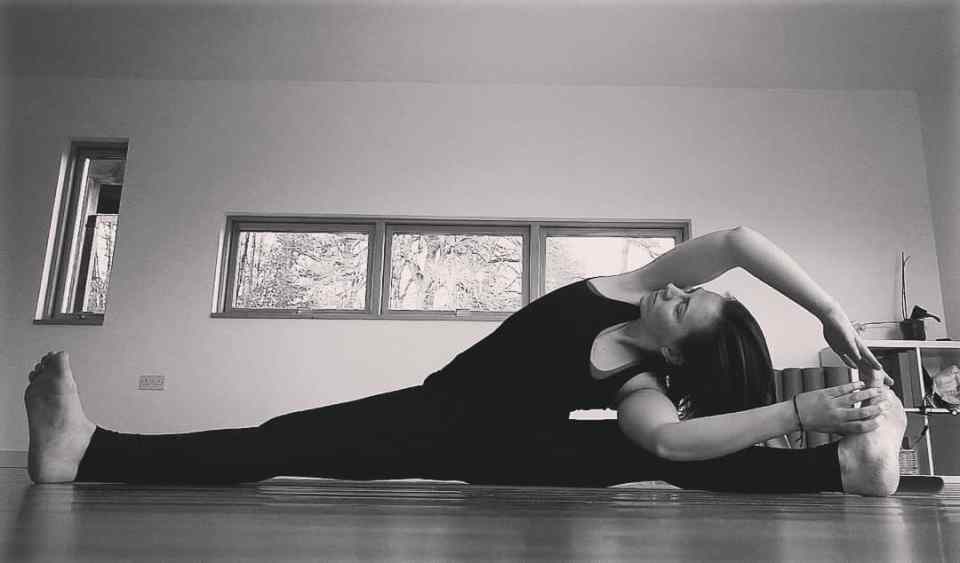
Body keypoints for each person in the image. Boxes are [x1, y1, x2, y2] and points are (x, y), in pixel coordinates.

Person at [24, 226, 906, 496]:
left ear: (679, 348)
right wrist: (829, 313)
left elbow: (673, 441)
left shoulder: (636, 381)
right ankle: (846, 469)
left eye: (686, 304)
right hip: (443, 415)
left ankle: (86, 452)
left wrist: (801, 411)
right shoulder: (631, 286)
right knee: (280, 437)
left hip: (468, 444)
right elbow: (740, 240)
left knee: (659, 456)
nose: (677, 286)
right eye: (687, 288)